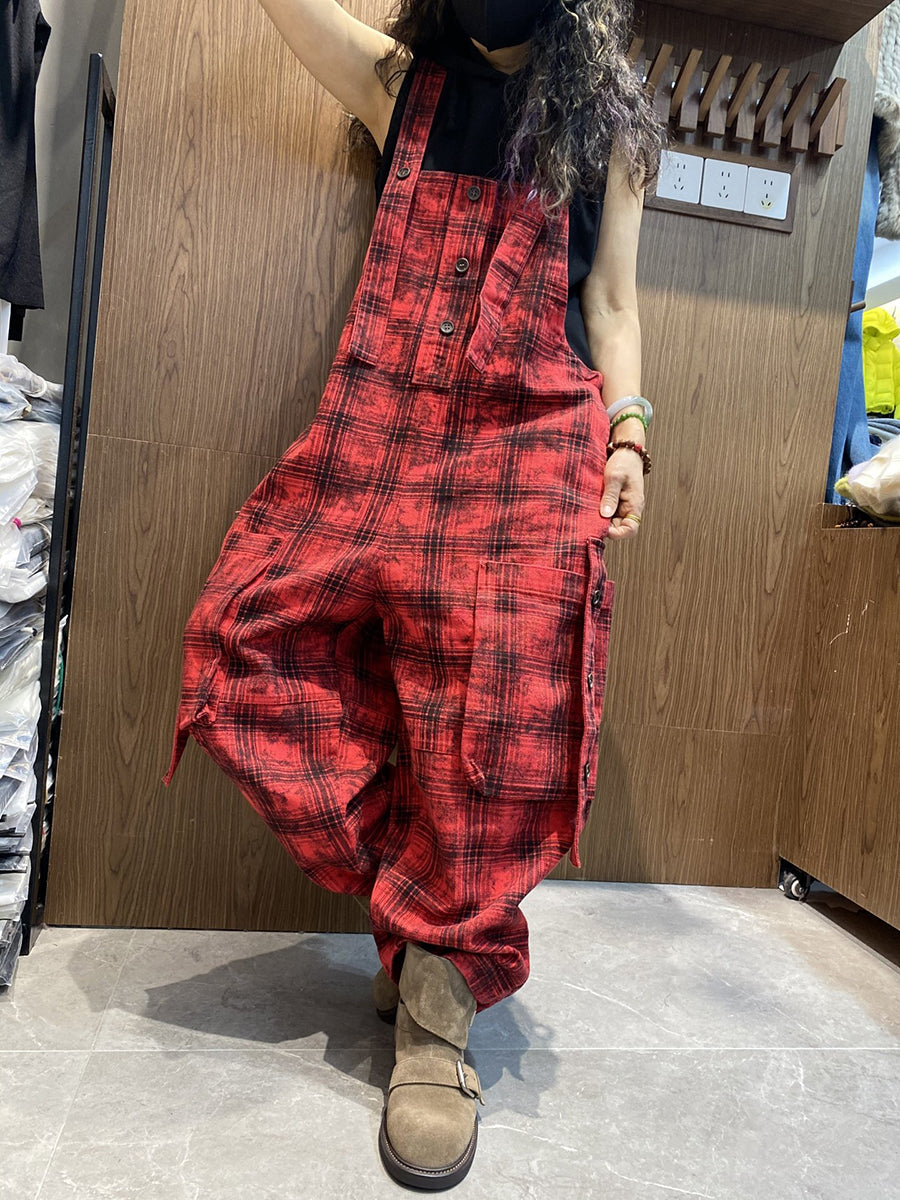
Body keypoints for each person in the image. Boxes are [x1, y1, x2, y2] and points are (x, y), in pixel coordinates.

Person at [162, 0, 666, 1188]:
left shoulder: (610, 129)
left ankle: (439, 1005)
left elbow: (611, 303)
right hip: (381, 422)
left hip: (533, 436)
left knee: (505, 728)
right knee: (240, 646)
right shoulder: (403, 84)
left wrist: (630, 435)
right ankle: (422, 906)